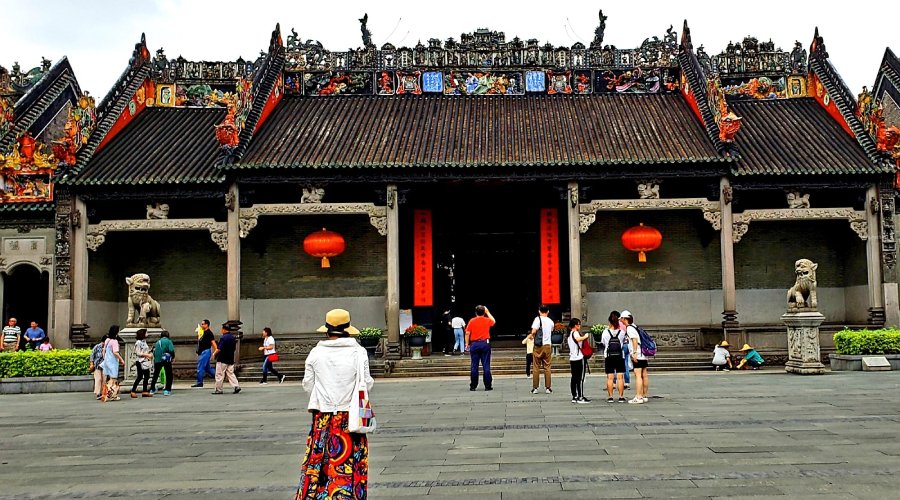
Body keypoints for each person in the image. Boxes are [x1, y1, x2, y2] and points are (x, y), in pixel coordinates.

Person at [296, 308, 372, 500]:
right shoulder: (359, 352)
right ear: (348, 329)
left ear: (327, 330)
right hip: (350, 417)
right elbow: (367, 382)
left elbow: (307, 383)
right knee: (349, 460)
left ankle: (316, 495)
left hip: (323, 416)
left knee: (320, 459)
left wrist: (324, 397)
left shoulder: (316, 353)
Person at [465, 305, 496, 391]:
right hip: (485, 343)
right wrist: (488, 312)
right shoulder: (487, 320)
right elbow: (494, 321)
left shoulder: (472, 321)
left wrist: (467, 344)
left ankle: (473, 385)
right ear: (484, 312)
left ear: (475, 312)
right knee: (486, 365)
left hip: (474, 344)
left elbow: (467, 333)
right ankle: (488, 385)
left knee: (474, 365)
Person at [622, 310, 649, 404]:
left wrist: (634, 353)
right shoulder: (635, 326)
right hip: (643, 353)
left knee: (638, 375)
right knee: (644, 374)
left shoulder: (629, 328)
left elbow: (634, 340)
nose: (621, 320)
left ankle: (638, 396)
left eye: (622, 318)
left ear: (625, 319)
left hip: (637, 353)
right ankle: (644, 395)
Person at [601, 311, 627, 403]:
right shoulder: (622, 332)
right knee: (620, 377)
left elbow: (603, 343)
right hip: (620, 356)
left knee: (610, 377)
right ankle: (620, 396)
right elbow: (623, 342)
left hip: (609, 356)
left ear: (609, 322)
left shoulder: (605, 332)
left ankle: (610, 396)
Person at [527, 305, 553, 394]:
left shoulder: (537, 319)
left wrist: (531, 336)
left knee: (536, 366)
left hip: (538, 346)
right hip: (548, 345)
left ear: (539, 311)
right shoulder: (550, 321)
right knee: (547, 367)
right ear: (548, 311)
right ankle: (548, 388)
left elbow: (534, 331)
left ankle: (535, 388)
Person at [212, 325, 241, 394]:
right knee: (230, 373)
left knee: (219, 374)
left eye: (222, 329)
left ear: (224, 330)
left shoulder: (223, 338)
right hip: (230, 358)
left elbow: (219, 348)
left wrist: (214, 354)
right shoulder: (232, 338)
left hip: (222, 358)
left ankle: (219, 389)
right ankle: (236, 386)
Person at [567, 318, 590, 404]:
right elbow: (578, 339)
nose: (579, 326)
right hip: (578, 358)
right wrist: (585, 336)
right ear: (575, 325)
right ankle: (580, 396)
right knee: (579, 378)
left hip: (572, 358)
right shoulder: (575, 333)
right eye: (578, 324)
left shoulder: (569, 334)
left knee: (574, 377)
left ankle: (574, 395)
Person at [100, 330, 125, 402]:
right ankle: (111, 395)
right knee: (113, 380)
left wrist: (105, 358)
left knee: (111, 379)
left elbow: (103, 350)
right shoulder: (114, 341)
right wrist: (121, 359)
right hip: (113, 362)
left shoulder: (107, 340)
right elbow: (115, 352)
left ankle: (108, 394)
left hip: (107, 362)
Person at [192, 319, 217, 388]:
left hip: (205, 351)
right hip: (203, 351)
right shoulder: (202, 332)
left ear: (207, 325)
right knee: (207, 368)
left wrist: (215, 352)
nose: (202, 325)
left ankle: (199, 382)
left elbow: (213, 343)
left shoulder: (209, 333)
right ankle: (218, 376)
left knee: (200, 367)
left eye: (203, 324)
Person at [150, 330, 175, 396]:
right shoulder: (168, 341)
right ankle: (167, 390)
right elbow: (171, 350)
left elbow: (154, 351)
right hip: (166, 360)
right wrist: (173, 357)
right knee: (169, 374)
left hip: (157, 360)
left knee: (156, 374)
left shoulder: (157, 342)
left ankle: (152, 389)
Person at [130, 329, 153, 398]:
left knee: (147, 376)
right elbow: (138, 353)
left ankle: (145, 391)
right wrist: (147, 355)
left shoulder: (144, 341)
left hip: (145, 361)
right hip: (140, 361)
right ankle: (133, 391)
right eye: (146, 332)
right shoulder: (138, 342)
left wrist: (149, 352)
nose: (147, 334)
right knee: (140, 376)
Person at [89, 333, 108, 400]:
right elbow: (92, 355)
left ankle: (103, 392)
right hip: (97, 366)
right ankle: (98, 393)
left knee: (104, 379)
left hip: (105, 366)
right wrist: (91, 363)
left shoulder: (108, 347)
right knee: (98, 379)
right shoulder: (97, 346)